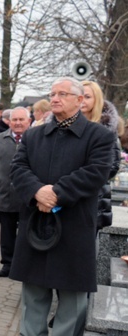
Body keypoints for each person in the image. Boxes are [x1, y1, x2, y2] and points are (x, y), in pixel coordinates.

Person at [7, 77, 115, 336]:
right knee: (34, 286)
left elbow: (96, 173)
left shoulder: (99, 136)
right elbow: (18, 168)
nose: (54, 99)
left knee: (72, 291)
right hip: (37, 220)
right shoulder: (34, 135)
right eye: (52, 94)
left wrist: (56, 194)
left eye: (62, 94)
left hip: (74, 222)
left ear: (80, 100)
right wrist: (37, 191)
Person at [0, 107, 31, 277]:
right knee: (7, 233)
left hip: (29, 198)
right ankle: (8, 264)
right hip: (5, 195)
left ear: (29, 121)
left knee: (27, 234)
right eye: (14, 120)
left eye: (21, 120)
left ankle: (25, 265)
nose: (17, 123)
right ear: (9, 122)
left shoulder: (35, 140)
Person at [80, 80, 124, 231]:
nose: (82, 101)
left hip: (95, 194)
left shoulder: (106, 130)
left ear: (96, 99)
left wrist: (87, 177)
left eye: (87, 97)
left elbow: (113, 165)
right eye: (80, 96)